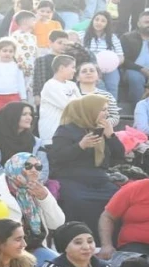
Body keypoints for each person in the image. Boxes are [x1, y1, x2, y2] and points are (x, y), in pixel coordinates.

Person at [48, 95, 125, 234]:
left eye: (107, 110)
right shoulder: (66, 130)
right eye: (103, 110)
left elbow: (119, 155)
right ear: (90, 110)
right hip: (72, 178)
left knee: (117, 200)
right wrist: (80, 146)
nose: (107, 114)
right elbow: (56, 157)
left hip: (99, 179)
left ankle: (109, 240)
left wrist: (111, 136)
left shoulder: (102, 129)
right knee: (78, 201)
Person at [0, 152, 64, 264]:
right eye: (28, 166)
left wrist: (44, 198)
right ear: (15, 167)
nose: (34, 170)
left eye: (38, 167)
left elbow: (57, 223)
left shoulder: (39, 189)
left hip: (36, 247)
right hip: (7, 253)